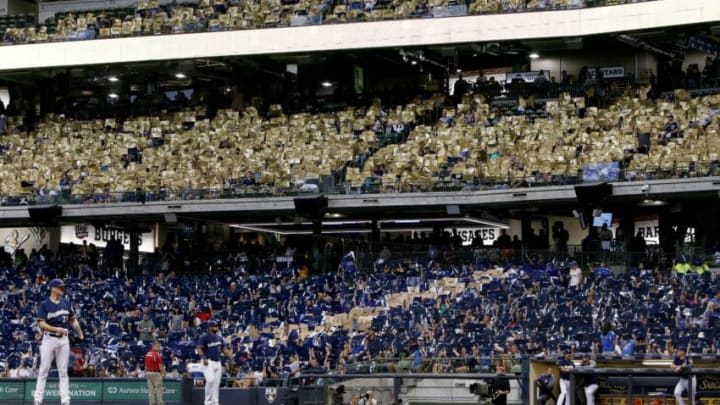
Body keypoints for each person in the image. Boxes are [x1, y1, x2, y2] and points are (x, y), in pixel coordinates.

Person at [35, 279, 84, 405]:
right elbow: (42, 324)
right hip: (49, 339)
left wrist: (80, 333)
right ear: (53, 288)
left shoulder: (66, 303)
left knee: (63, 372)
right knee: (44, 370)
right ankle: (38, 399)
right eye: (60, 287)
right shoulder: (44, 304)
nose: (63, 289)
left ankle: (65, 400)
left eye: (63, 287)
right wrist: (56, 329)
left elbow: (73, 320)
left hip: (63, 340)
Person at [197, 320, 233, 405]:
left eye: (217, 326)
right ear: (210, 327)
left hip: (217, 362)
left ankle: (215, 402)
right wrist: (203, 358)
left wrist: (231, 359)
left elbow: (224, 350)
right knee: (210, 380)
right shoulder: (204, 337)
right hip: (208, 362)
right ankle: (207, 402)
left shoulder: (219, 338)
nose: (217, 327)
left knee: (216, 384)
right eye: (215, 326)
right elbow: (199, 348)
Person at [145, 341, 165, 405]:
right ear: (153, 346)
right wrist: (163, 374)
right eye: (158, 346)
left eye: (159, 346)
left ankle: (152, 403)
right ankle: (160, 403)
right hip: (155, 373)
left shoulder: (147, 354)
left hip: (148, 373)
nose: (159, 348)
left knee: (151, 390)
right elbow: (160, 366)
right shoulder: (156, 354)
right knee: (159, 389)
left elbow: (146, 365)